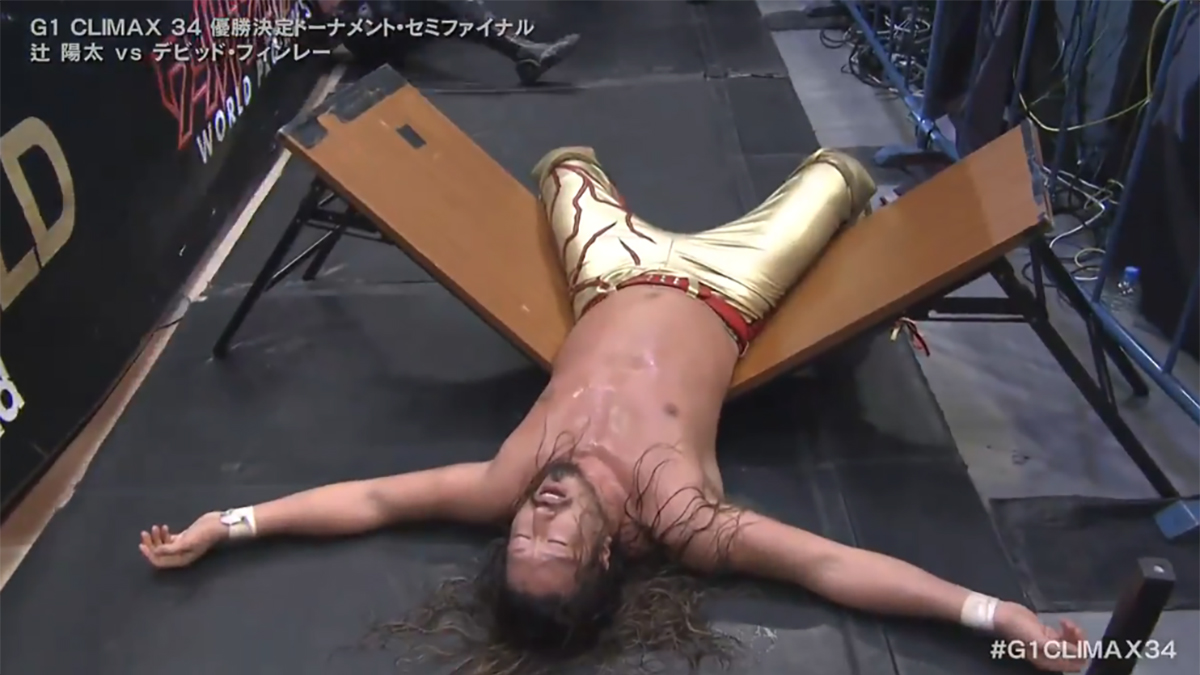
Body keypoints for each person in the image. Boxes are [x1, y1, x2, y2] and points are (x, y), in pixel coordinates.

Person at [140, 147, 1088, 674]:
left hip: (610, 272)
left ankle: (580, 177)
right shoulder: (682, 512)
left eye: (521, 533)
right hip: (729, 287)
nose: (538, 515)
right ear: (602, 558)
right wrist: (998, 612)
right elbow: (832, 566)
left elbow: (375, 501)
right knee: (840, 174)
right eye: (554, 540)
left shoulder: (512, 478)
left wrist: (230, 522)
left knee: (562, 165)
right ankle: (841, 178)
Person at [312, 0, 580, 85]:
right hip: (365, 27)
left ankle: (522, 50)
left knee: (452, 12)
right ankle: (522, 49)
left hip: (385, 17)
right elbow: (329, 11)